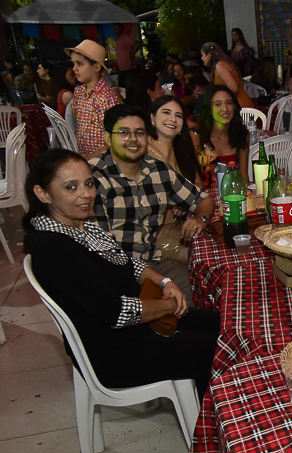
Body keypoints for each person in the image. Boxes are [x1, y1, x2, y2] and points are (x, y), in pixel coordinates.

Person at [23, 149, 219, 397]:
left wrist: (164, 281)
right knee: (224, 347)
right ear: (43, 193)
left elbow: (126, 263)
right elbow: (116, 312)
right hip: (116, 352)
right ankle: (216, 413)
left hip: (142, 327)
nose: (86, 194)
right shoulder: (54, 247)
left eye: (88, 184)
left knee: (226, 326)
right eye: (71, 187)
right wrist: (170, 306)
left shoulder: (83, 226)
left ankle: (206, 401)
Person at [90, 105, 215, 300]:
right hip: (110, 270)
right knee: (175, 296)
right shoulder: (93, 178)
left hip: (151, 261)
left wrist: (201, 218)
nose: (133, 139)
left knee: (203, 283)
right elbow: (103, 252)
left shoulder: (158, 171)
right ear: (108, 138)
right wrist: (160, 281)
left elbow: (203, 199)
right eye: (124, 132)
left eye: (139, 133)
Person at [66, 39, 122, 158]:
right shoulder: (79, 91)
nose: (74, 68)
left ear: (96, 67)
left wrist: (89, 161)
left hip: (103, 161)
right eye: (74, 63)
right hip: (84, 157)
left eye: (79, 64)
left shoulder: (106, 97)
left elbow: (112, 139)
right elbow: (76, 116)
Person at [198, 85, 250, 187]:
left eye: (229, 103)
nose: (225, 109)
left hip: (233, 194)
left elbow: (243, 176)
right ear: (209, 109)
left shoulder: (241, 134)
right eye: (218, 104)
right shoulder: (197, 138)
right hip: (203, 195)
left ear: (234, 106)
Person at [148, 96, 203, 187]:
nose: (173, 119)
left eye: (178, 116)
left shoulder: (183, 150)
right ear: (152, 118)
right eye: (166, 112)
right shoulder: (142, 149)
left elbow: (199, 185)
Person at [200, 42, 254, 109]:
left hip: (240, 107)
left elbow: (234, 88)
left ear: (208, 55)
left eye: (202, 55)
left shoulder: (220, 66)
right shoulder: (220, 65)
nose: (201, 58)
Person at [113, 23, 140, 88]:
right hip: (122, 69)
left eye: (116, 29)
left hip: (129, 68)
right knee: (122, 88)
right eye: (114, 29)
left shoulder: (125, 37)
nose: (115, 31)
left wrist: (131, 54)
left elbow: (138, 44)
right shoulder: (118, 39)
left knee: (129, 87)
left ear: (121, 29)